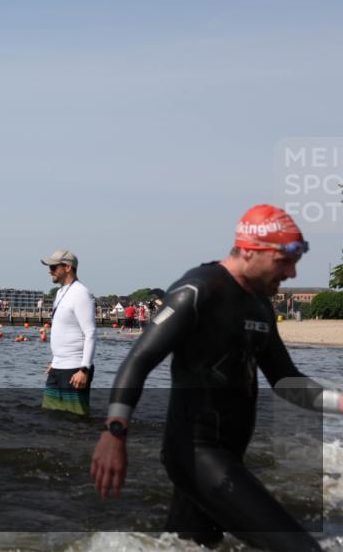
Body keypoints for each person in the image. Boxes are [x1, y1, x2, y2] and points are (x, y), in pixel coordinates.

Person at [91, 205, 343, 551]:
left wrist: (341, 403)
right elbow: (139, 360)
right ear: (251, 250)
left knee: (194, 546)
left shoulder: (260, 305)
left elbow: (287, 381)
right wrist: (114, 432)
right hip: (196, 455)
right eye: (284, 260)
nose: (293, 272)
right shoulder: (196, 292)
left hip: (228, 453)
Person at [40, 249, 96, 415]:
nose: (49, 270)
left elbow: (90, 333)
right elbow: (64, 330)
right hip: (58, 367)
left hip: (75, 369)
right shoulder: (60, 292)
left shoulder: (81, 293)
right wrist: (56, 361)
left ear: (67, 267)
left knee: (76, 421)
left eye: (53, 267)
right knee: (50, 417)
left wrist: (84, 370)